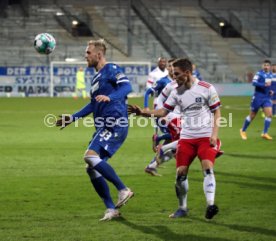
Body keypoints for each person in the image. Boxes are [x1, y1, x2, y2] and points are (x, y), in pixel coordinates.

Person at [129, 58, 222, 219]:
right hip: (186, 138)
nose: (174, 77)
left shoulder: (207, 88)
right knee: (180, 173)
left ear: (187, 73)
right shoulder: (175, 91)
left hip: (205, 136)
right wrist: (143, 113)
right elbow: (163, 112)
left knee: (207, 167)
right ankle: (182, 208)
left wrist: (214, 134)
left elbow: (217, 112)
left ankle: (210, 205)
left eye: (177, 74)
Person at [56, 39, 134, 221]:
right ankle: (111, 209)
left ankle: (123, 189)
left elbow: (127, 87)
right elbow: (93, 103)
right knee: (91, 167)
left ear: (98, 54)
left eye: (88, 53)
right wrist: (72, 118)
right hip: (104, 125)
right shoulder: (96, 78)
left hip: (115, 122)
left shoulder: (111, 69)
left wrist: (111, 97)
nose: (86, 56)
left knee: (89, 156)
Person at [240, 59, 273, 140]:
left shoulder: (270, 75)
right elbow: (254, 83)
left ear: (270, 67)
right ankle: (243, 130)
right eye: (264, 65)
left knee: (269, 114)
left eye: (267, 65)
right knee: (252, 116)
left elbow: (268, 86)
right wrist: (263, 84)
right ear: (262, 66)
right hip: (257, 97)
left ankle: (264, 133)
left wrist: (270, 91)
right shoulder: (259, 74)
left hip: (266, 98)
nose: (266, 66)